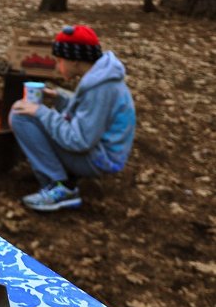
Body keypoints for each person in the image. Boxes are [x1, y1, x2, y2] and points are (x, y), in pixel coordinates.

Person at [9, 25, 136, 211]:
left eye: (60, 60)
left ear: (76, 60)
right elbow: (87, 111)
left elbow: (79, 140)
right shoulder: (101, 77)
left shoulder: (101, 88)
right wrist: (58, 97)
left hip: (100, 160)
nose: (58, 66)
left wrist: (40, 111)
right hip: (99, 152)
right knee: (30, 114)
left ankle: (61, 187)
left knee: (21, 117)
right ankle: (62, 175)